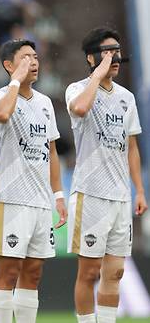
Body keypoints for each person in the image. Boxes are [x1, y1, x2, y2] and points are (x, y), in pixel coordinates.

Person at [66, 27, 147, 323]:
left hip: (120, 196)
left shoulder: (127, 98)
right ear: (91, 58)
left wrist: (138, 190)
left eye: (117, 51)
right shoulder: (77, 89)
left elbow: (132, 147)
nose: (115, 57)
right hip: (90, 195)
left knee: (115, 272)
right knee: (89, 272)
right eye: (107, 52)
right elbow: (80, 108)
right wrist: (97, 75)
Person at [0, 39, 67, 323]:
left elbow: (51, 151)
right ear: (9, 65)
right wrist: (15, 83)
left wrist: (58, 194)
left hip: (41, 201)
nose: (33, 62)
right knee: (8, 272)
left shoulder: (44, 103)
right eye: (25, 58)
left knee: (33, 274)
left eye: (35, 57)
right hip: (12, 199)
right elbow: (3, 114)